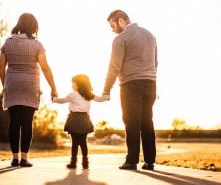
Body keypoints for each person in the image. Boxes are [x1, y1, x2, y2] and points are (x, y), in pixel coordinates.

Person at [0, 13, 57, 167]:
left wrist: (5, 84)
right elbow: (45, 68)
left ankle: (14, 158)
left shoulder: (7, 43)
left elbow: (1, 67)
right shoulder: (37, 45)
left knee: (14, 122)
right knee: (26, 122)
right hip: (30, 86)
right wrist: (53, 87)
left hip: (12, 85)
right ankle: (24, 158)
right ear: (33, 26)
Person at [102, 10, 158, 170]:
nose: (112, 30)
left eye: (113, 26)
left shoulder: (121, 39)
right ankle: (149, 161)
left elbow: (114, 67)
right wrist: (151, 79)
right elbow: (155, 62)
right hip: (150, 83)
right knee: (147, 121)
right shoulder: (150, 35)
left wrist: (106, 90)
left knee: (131, 122)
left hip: (130, 84)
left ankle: (132, 161)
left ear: (121, 21)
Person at [53, 74, 109, 169]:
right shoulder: (89, 95)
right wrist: (107, 96)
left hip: (74, 119)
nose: (72, 86)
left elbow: (62, 101)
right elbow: (100, 99)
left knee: (75, 143)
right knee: (83, 142)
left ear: (78, 84)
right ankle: (85, 163)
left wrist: (54, 99)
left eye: (73, 84)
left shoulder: (73, 95)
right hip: (84, 120)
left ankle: (73, 163)